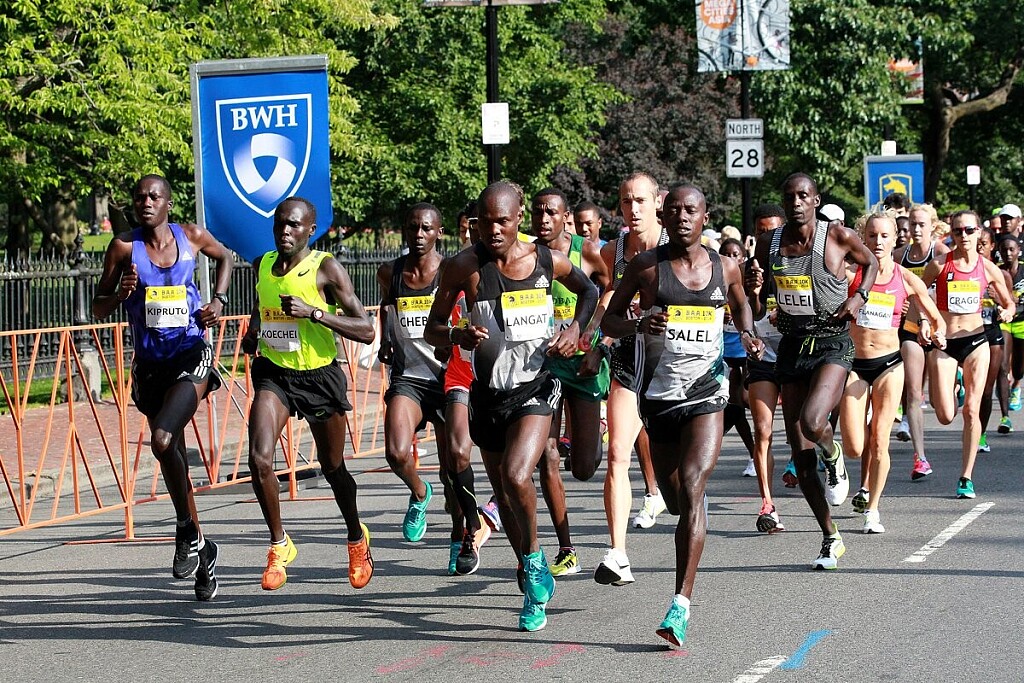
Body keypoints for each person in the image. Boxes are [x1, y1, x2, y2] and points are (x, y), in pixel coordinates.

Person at [423, 180, 598, 632]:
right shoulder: (464, 266)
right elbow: (432, 329)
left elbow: (589, 292)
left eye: (502, 221)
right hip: (488, 394)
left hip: (535, 386)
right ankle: (529, 572)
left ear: (519, 219)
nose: (494, 230)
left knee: (519, 475)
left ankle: (536, 562)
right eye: (485, 222)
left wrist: (575, 330)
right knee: (504, 493)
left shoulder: (545, 260)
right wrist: (457, 335)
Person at [605, 184, 763, 647]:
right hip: (658, 397)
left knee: (693, 486)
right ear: (665, 215)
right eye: (672, 209)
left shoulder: (724, 267)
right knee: (676, 499)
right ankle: (688, 511)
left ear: (704, 216)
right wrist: (638, 324)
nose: (681, 217)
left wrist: (747, 334)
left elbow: (741, 305)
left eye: (690, 210)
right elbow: (610, 320)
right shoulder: (645, 267)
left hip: (708, 393)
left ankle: (680, 605)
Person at [92, 174, 232, 601]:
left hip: (191, 355)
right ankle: (203, 551)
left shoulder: (191, 236)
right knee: (173, 458)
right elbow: (97, 307)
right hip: (151, 366)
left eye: (154, 196)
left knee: (162, 438)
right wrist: (121, 294)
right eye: (139, 197)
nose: (146, 202)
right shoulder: (123, 247)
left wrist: (218, 301)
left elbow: (225, 257)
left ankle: (185, 529)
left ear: (169, 203)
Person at [241, 197, 376, 591]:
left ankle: (356, 538)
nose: (285, 231)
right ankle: (279, 545)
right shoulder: (262, 265)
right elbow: (263, 307)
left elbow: (366, 329)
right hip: (275, 375)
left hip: (318, 377)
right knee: (259, 459)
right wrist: (253, 331)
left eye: (294, 225)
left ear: (310, 230)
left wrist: (314, 313)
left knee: (332, 468)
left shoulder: (325, 268)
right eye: (280, 223)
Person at [745, 172, 878, 570]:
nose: (796, 202)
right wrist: (754, 289)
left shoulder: (836, 236)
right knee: (802, 461)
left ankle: (833, 454)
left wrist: (858, 297)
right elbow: (758, 307)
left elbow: (871, 262)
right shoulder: (770, 243)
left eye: (803, 195)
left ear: (815, 200)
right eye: (790, 197)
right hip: (792, 345)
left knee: (813, 420)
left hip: (832, 342)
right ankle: (830, 536)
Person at [377, 203, 489, 574]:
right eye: (413, 228)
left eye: (427, 228)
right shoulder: (390, 272)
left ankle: (460, 537)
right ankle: (419, 492)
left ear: (439, 232)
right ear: (404, 230)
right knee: (396, 452)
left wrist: (459, 338)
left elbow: (475, 313)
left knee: (452, 467)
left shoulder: (453, 271)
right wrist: (386, 340)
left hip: (448, 375)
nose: (419, 235)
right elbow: (387, 307)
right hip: (409, 377)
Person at [839, 212, 945, 533]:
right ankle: (838, 463)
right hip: (855, 365)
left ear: (895, 238)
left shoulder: (905, 278)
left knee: (879, 440)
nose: (878, 241)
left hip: (889, 365)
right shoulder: (852, 274)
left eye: (885, 236)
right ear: (863, 238)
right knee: (855, 447)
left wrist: (934, 330)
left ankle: (873, 509)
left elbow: (935, 316)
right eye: (872, 235)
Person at [530, 188, 611, 577]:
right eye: (538, 212)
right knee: (547, 454)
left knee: (582, 468)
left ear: (566, 218)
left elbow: (608, 289)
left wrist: (587, 329)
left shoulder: (587, 251)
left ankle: (595, 432)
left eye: (552, 213)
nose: (544, 219)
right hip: (543, 367)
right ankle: (566, 548)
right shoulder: (526, 255)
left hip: (581, 364)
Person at [595, 172, 669, 588]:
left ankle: (665, 495)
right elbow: (609, 293)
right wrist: (594, 336)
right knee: (617, 454)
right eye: (626, 201)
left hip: (673, 366)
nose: (633, 209)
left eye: (640, 200)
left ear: (657, 202)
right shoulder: (614, 250)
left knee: (677, 478)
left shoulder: (677, 246)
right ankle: (618, 553)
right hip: (628, 361)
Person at [920, 210, 1015, 498]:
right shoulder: (939, 264)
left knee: (972, 410)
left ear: (979, 233)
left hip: (976, 341)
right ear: (952, 233)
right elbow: (918, 295)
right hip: (945, 344)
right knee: (945, 415)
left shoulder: (988, 268)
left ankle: (966, 477)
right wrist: (924, 321)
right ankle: (956, 383)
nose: (964, 236)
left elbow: (1009, 302)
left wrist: (1007, 311)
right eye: (958, 231)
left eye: (969, 230)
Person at [893, 204, 950, 481]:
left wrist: (931, 317)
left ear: (933, 226)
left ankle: (953, 382)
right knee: (914, 392)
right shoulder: (898, 256)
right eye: (912, 224)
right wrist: (900, 303)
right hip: (910, 328)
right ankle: (921, 457)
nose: (915, 229)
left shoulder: (941, 254)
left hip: (937, 328)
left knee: (942, 408)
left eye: (921, 224)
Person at [745, 204, 788, 530]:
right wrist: (755, 292)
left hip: (796, 356)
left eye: (774, 231)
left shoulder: (797, 263)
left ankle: (827, 458)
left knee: (806, 430)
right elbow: (750, 313)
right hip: (763, 358)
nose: (768, 237)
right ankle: (767, 504)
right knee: (763, 430)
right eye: (762, 231)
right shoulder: (748, 270)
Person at [718, 238, 757, 477]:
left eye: (735, 254)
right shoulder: (717, 281)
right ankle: (754, 454)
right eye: (726, 254)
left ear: (743, 257)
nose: (731, 258)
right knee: (736, 405)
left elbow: (754, 314)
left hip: (747, 354)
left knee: (743, 401)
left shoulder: (751, 284)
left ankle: (761, 449)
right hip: (724, 354)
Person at [977, 227, 1012, 449]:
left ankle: (980, 434)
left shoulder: (1001, 275)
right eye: (977, 243)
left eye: (983, 243)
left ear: (992, 246)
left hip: (992, 333)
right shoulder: (963, 271)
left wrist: (998, 299)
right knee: (970, 388)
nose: (979, 247)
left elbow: (1011, 305)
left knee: (986, 390)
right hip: (966, 334)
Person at [998, 235, 1024, 416]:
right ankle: (1004, 414)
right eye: (1004, 250)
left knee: (1019, 367)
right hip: (1005, 322)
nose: (1008, 253)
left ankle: (1016, 385)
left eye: (1011, 249)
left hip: (1022, 321)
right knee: (1003, 365)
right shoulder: (996, 271)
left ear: (1018, 251)